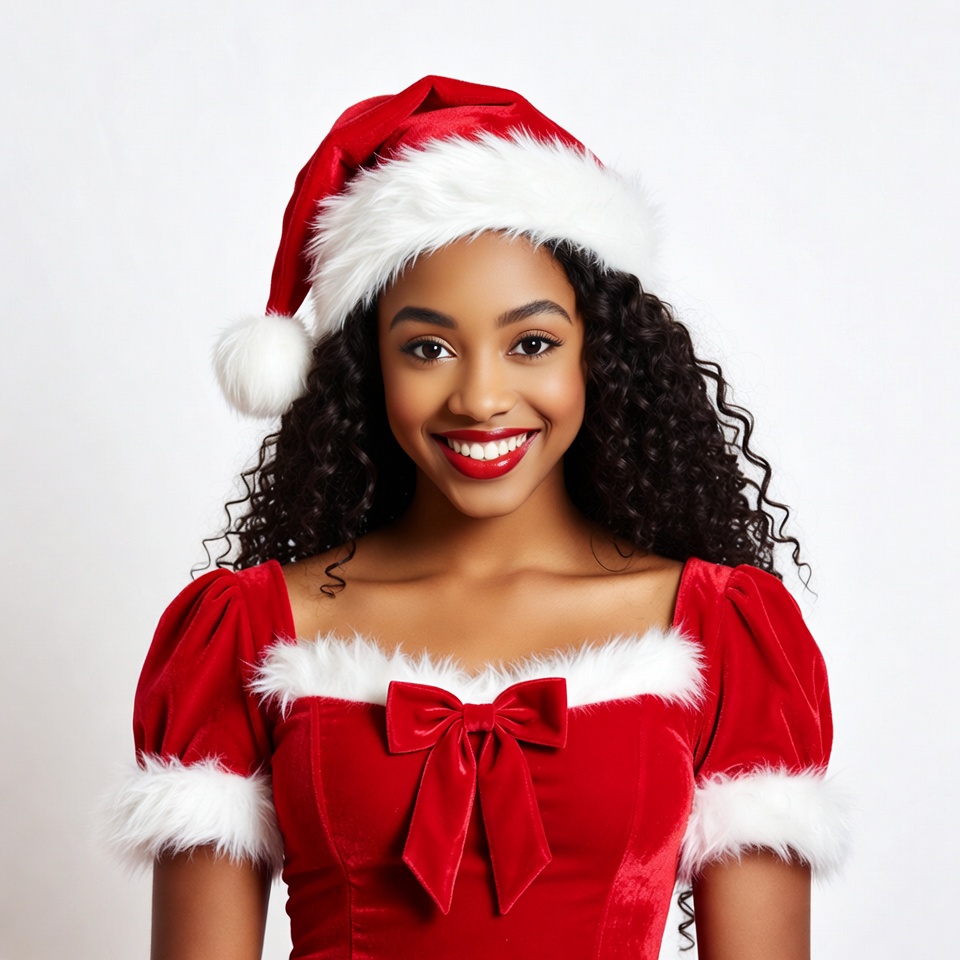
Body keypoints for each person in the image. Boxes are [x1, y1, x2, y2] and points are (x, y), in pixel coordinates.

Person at [107, 76, 847, 959]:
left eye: (531, 343)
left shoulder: (722, 630)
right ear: (365, 369)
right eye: (428, 348)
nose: (483, 396)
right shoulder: (247, 631)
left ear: (599, 356)